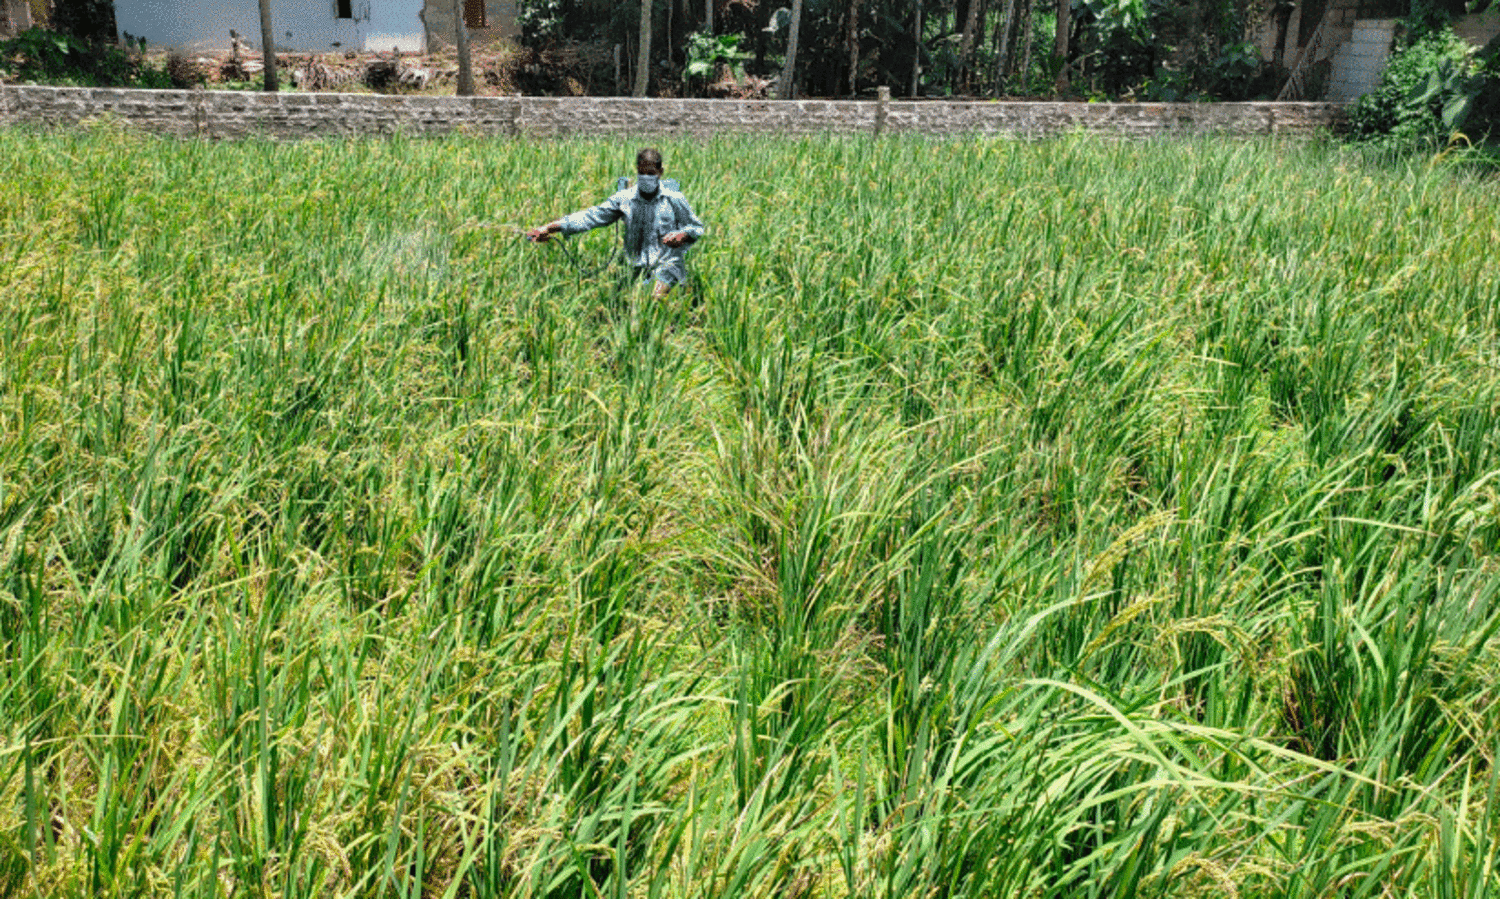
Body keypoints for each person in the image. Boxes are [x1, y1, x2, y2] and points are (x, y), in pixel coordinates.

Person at [525, 148, 705, 299]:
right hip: (634, 265)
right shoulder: (624, 199)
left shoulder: (674, 199)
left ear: (660, 173)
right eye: (642, 173)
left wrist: (684, 234)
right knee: (623, 304)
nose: (646, 177)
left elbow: (697, 228)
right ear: (637, 171)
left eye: (651, 173)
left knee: (654, 298)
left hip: (666, 263)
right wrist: (550, 228)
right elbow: (591, 216)